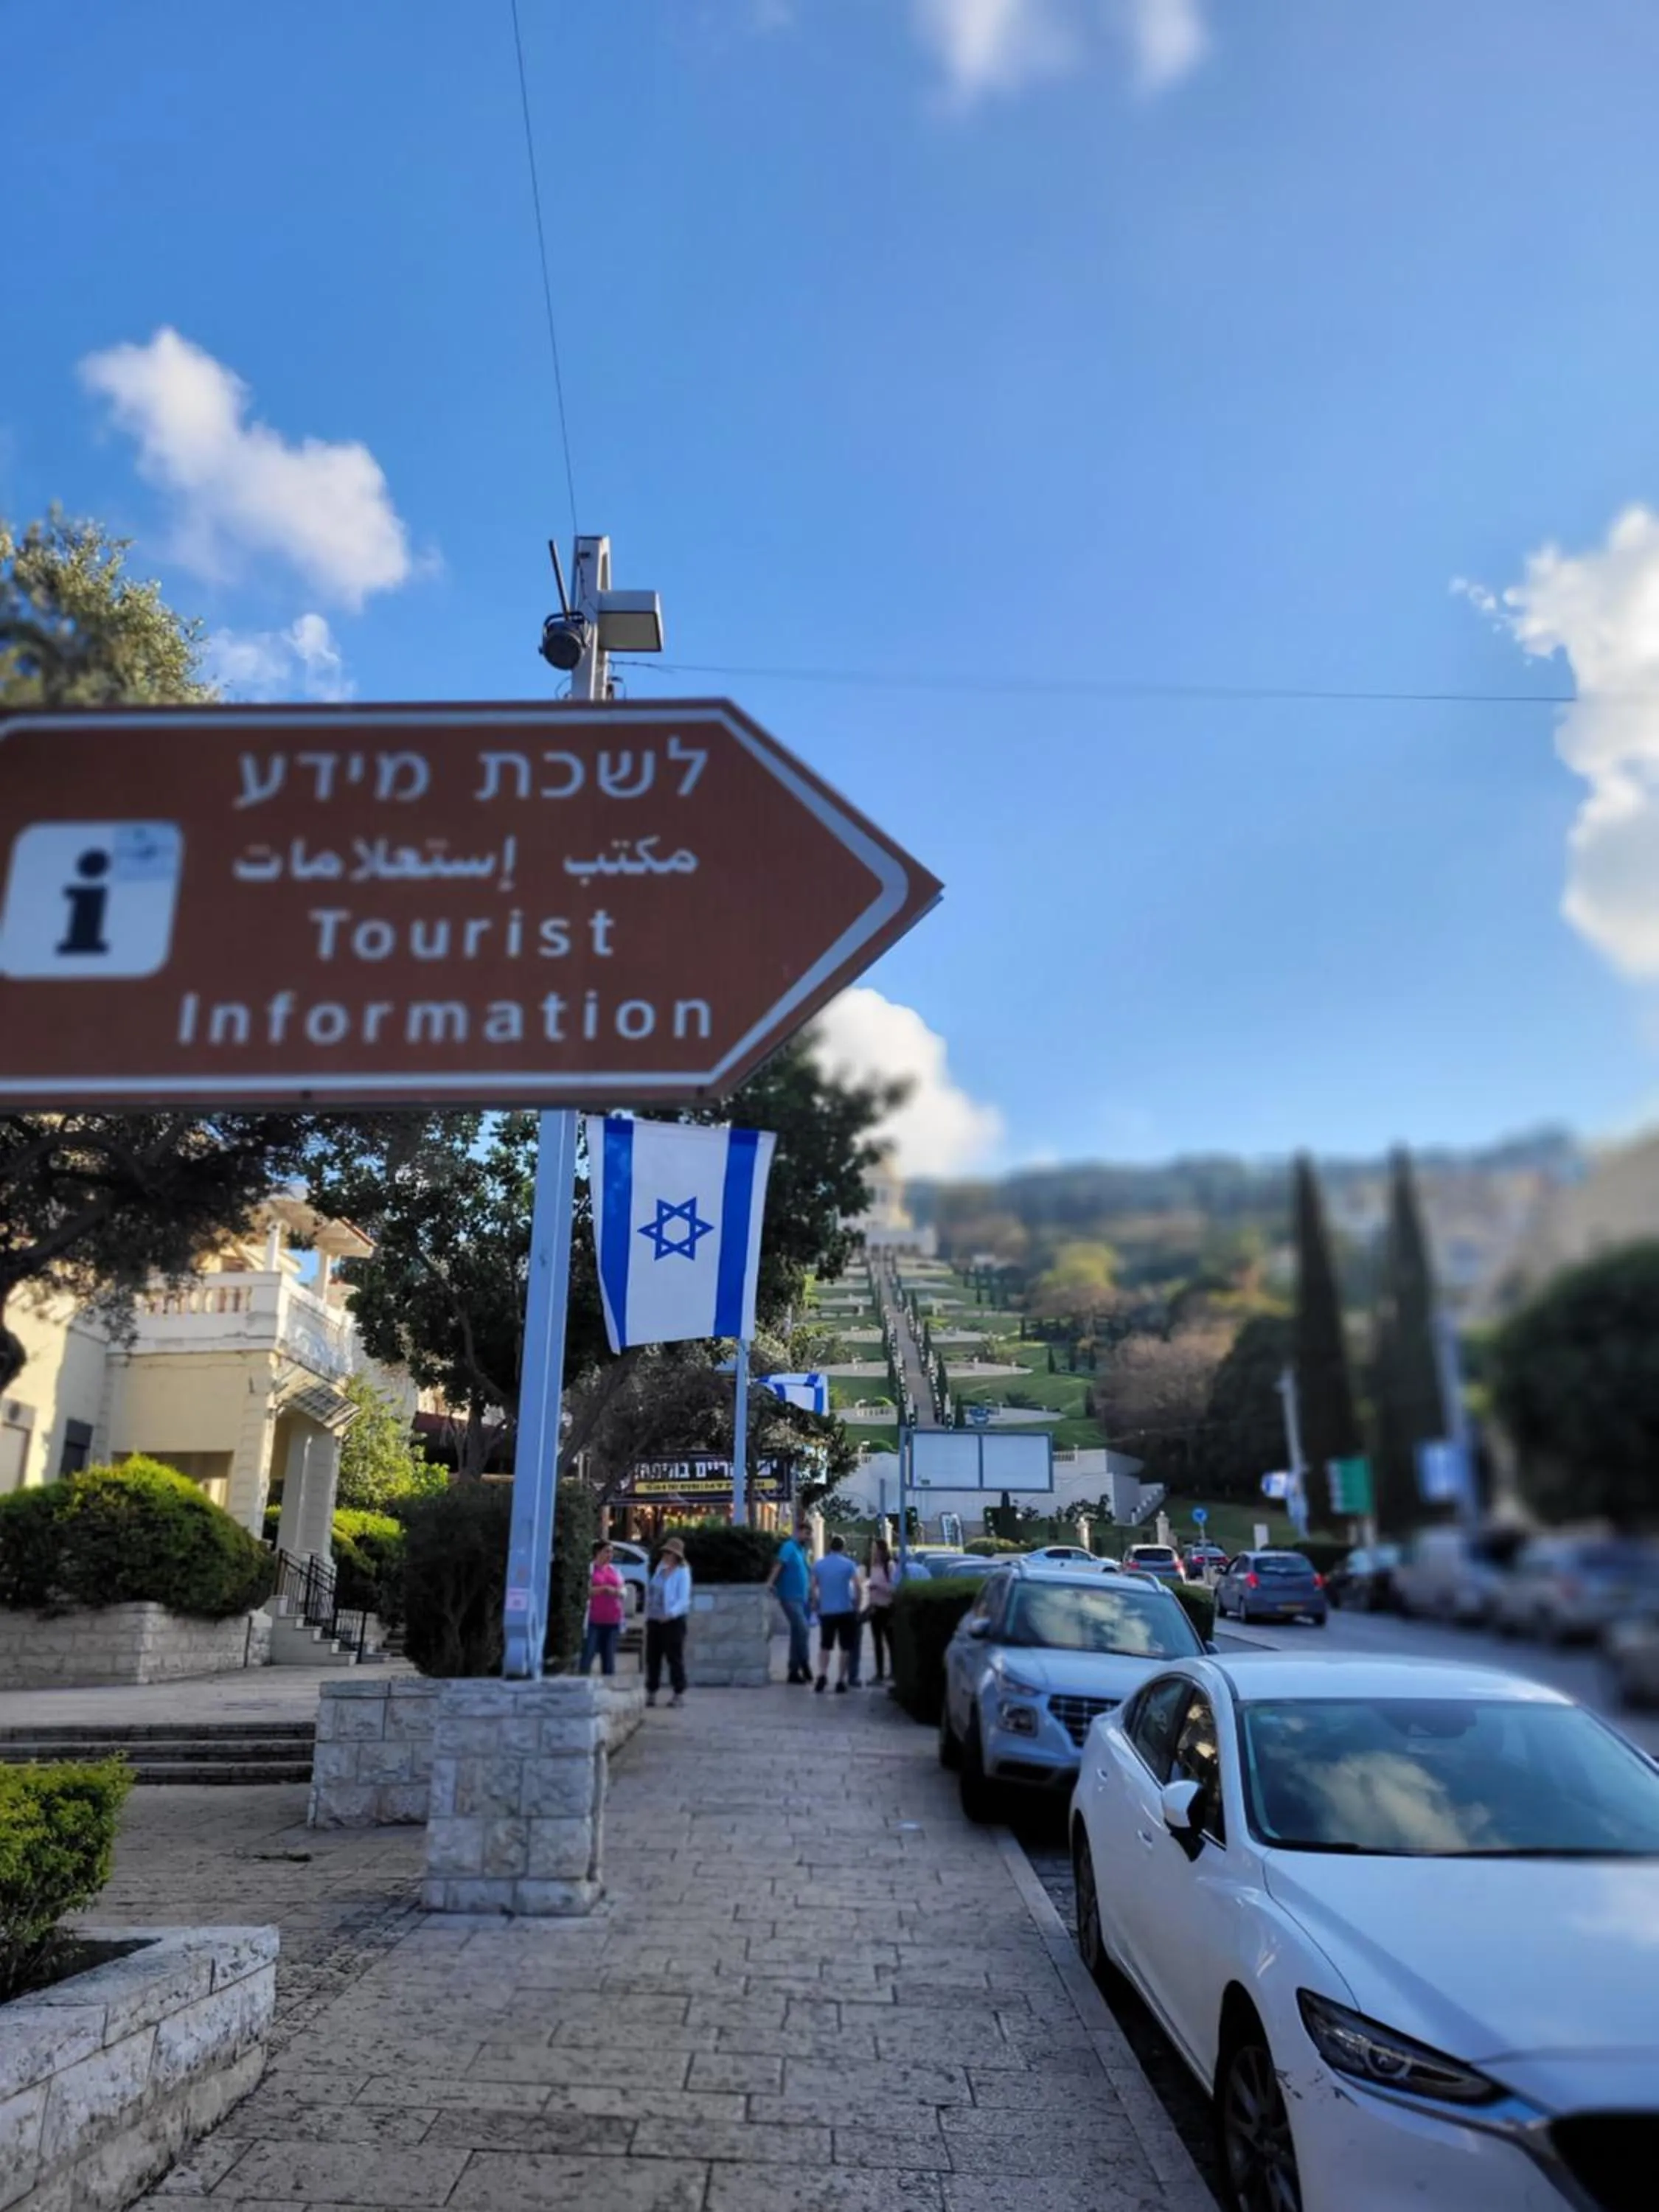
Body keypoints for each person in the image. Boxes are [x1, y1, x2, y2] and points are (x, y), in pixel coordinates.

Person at [812, 1533, 863, 1694]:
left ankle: (822, 1674)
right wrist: (858, 1604)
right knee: (845, 1647)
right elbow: (858, 1586)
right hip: (845, 1610)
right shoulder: (849, 1565)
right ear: (843, 1548)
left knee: (825, 1645)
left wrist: (816, 1603)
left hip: (827, 1610)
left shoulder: (819, 1565)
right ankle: (840, 1680)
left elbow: (812, 1587)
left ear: (829, 1547)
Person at [644, 1535, 692, 1708]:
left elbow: (683, 1599)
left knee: (674, 1657)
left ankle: (678, 1692)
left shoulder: (683, 1572)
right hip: (655, 1618)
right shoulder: (660, 1568)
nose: (667, 1556)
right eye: (665, 1553)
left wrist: (671, 1613)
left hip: (673, 1621)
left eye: (670, 1554)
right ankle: (651, 1691)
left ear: (677, 1556)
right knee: (652, 1657)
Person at [767, 1520, 813, 1685]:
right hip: (789, 1596)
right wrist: (770, 1583)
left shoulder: (801, 1550)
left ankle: (794, 1670)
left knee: (797, 1632)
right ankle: (804, 1663)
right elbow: (779, 1564)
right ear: (798, 1532)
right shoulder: (788, 1547)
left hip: (801, 1598)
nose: (808, 1537)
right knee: (803, 1629)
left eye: (810, 1534)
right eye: (806, 1534)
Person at [580, 1537, 627, 1677]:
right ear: (598, 1552)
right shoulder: (590, 1569)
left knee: (609, 1658)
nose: (610, 1555)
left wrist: (617, 1592)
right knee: (588, 1654)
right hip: (594, 1620)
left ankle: (608, 1687)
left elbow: (623, 1590)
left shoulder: (615, 1571)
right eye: (607, 1552)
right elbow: (586, 1590)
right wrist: (603, 1589)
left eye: (611, 1553)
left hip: (613, 1619)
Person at [865, 1539, 896, 1684]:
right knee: (877, 1642)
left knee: (890, 1641)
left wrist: (879, 1586)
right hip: (876, 1608)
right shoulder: (873, 1567)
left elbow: (894, 1588)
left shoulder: (889, 1566)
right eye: (872, 1549)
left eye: (876, 1549)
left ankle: (894, 1672)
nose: (874, 1552)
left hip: (887, 1608)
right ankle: (879, 1673)